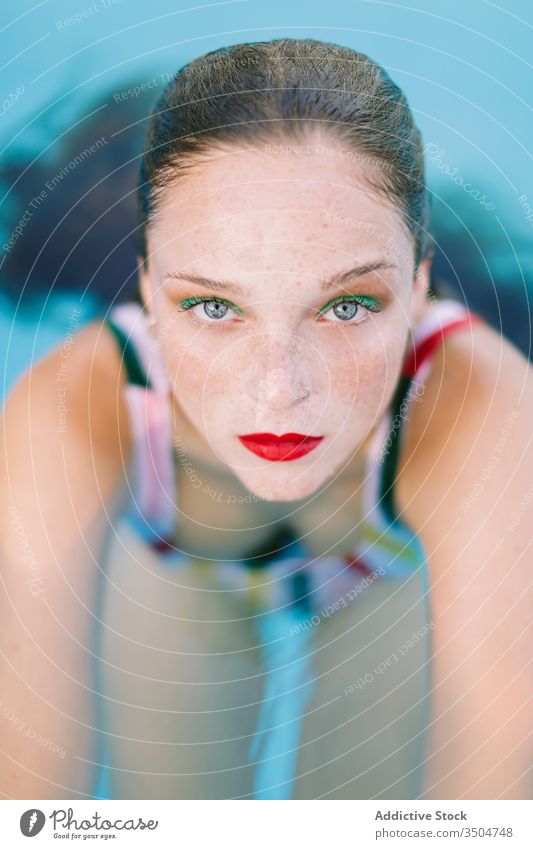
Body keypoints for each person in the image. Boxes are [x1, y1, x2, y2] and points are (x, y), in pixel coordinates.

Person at [1, 38, 531, 801]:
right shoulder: (70, 409)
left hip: (384, 585)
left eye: (347, 304)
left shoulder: (482, 403)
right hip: (178, 580)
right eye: (213, 306)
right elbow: (26, 805)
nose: (278, 390)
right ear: (147, 290)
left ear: (418, 290)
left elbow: (490, 798)